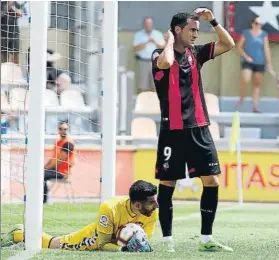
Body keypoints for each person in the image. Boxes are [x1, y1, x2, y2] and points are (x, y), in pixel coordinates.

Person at [151, 9, 235, 253]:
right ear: (178, 30)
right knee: (167, 183)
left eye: (198, 30)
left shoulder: (195, 54)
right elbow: (166, 62)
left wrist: (213, 21)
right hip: (172, 130)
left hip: (199, 127)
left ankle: (206, 237)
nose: (196, 34)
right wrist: (168, 41)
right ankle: (168, 241)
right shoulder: (159, 54)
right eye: (192, 29)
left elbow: (228, 43)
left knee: (211, 180)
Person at [0, 180, 158, 252]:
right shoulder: (110, 208)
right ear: (137, 205)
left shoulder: (151, 212)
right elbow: (102, 245)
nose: (156, 205)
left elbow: (144, 238)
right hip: (92, 238)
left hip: (114, 241)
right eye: (152, 202)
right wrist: (124, 249)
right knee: (53, 244)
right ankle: (19, 233)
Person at [236, 16, 274, 113]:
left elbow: (266, 49)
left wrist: (269, 63)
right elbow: (239, 47)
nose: (259, 25)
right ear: (252, 24)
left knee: (257, 84)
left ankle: (255, 107)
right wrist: (246, 57)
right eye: (257, 23)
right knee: (246, 79)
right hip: (247, 62)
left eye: (260, 24)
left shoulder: (264, 35)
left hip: (260, 62)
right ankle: (242, 98)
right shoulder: (246, 33)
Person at [43, 121, 75, 204]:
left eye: (65, 129)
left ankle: (44, 200)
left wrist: (47, 168)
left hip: (62, 173)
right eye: (61, 129)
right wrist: (44, 167)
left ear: (68, 130)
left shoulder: (68, 143)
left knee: (41, 175)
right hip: (55, 170)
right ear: (58, 130)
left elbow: (60, 160)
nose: (63, 131)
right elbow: (53, 158)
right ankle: (44, 197)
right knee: (40, 173)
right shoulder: (58, 142)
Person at [133, 17, 165, 92]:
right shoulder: (139, 34)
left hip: (156, 62)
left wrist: (154, 41)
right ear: (144, 24)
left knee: (156, 85)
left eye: (150, 24)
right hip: (143, 62)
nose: (148, 25)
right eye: (147, 24)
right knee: (142, 85)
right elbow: (136, 48)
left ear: (152, 24)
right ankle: (143, 102)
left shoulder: (158, 34)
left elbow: (162, 47)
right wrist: (147, 41)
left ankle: (156, 102)